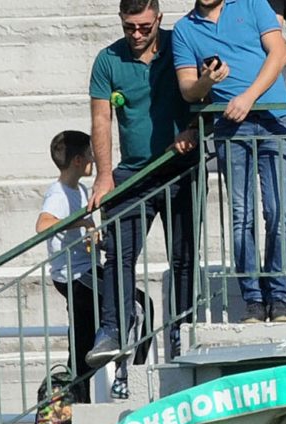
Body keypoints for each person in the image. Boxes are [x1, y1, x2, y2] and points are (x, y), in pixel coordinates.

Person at [88, 0, 199, 374]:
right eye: (129, 27)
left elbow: (205, 95)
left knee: (183, 256)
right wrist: (104, 175)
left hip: (180, 167)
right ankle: (113, 330)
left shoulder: (180, 46)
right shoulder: (108, 60)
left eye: (144, 27)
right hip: (132, 175)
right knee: (118, 255)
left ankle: (182, 329)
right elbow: (101, 118)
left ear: (159, 20)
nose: (136, 34)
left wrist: (193, 130)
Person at [173, 0, 286, 323]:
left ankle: (279, 297)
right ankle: (253, 300)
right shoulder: (184, 29)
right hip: (231, 126)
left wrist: (248, 97)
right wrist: (207, 81)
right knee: (242, 215)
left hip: (275, 120)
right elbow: (188, 89)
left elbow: (278, 52)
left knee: (278, 212)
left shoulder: (253, 4)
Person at [37, 130, 100, 404]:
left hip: (83, 269)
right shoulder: (59, 193)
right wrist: (82, 222)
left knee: (82, 341)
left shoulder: (80, 190)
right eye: (90, 155)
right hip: (74, 275)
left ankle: (75, 402)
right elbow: (43, 225)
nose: (93, 159)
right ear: (77, 160)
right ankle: (125, 373)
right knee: (135, 305)